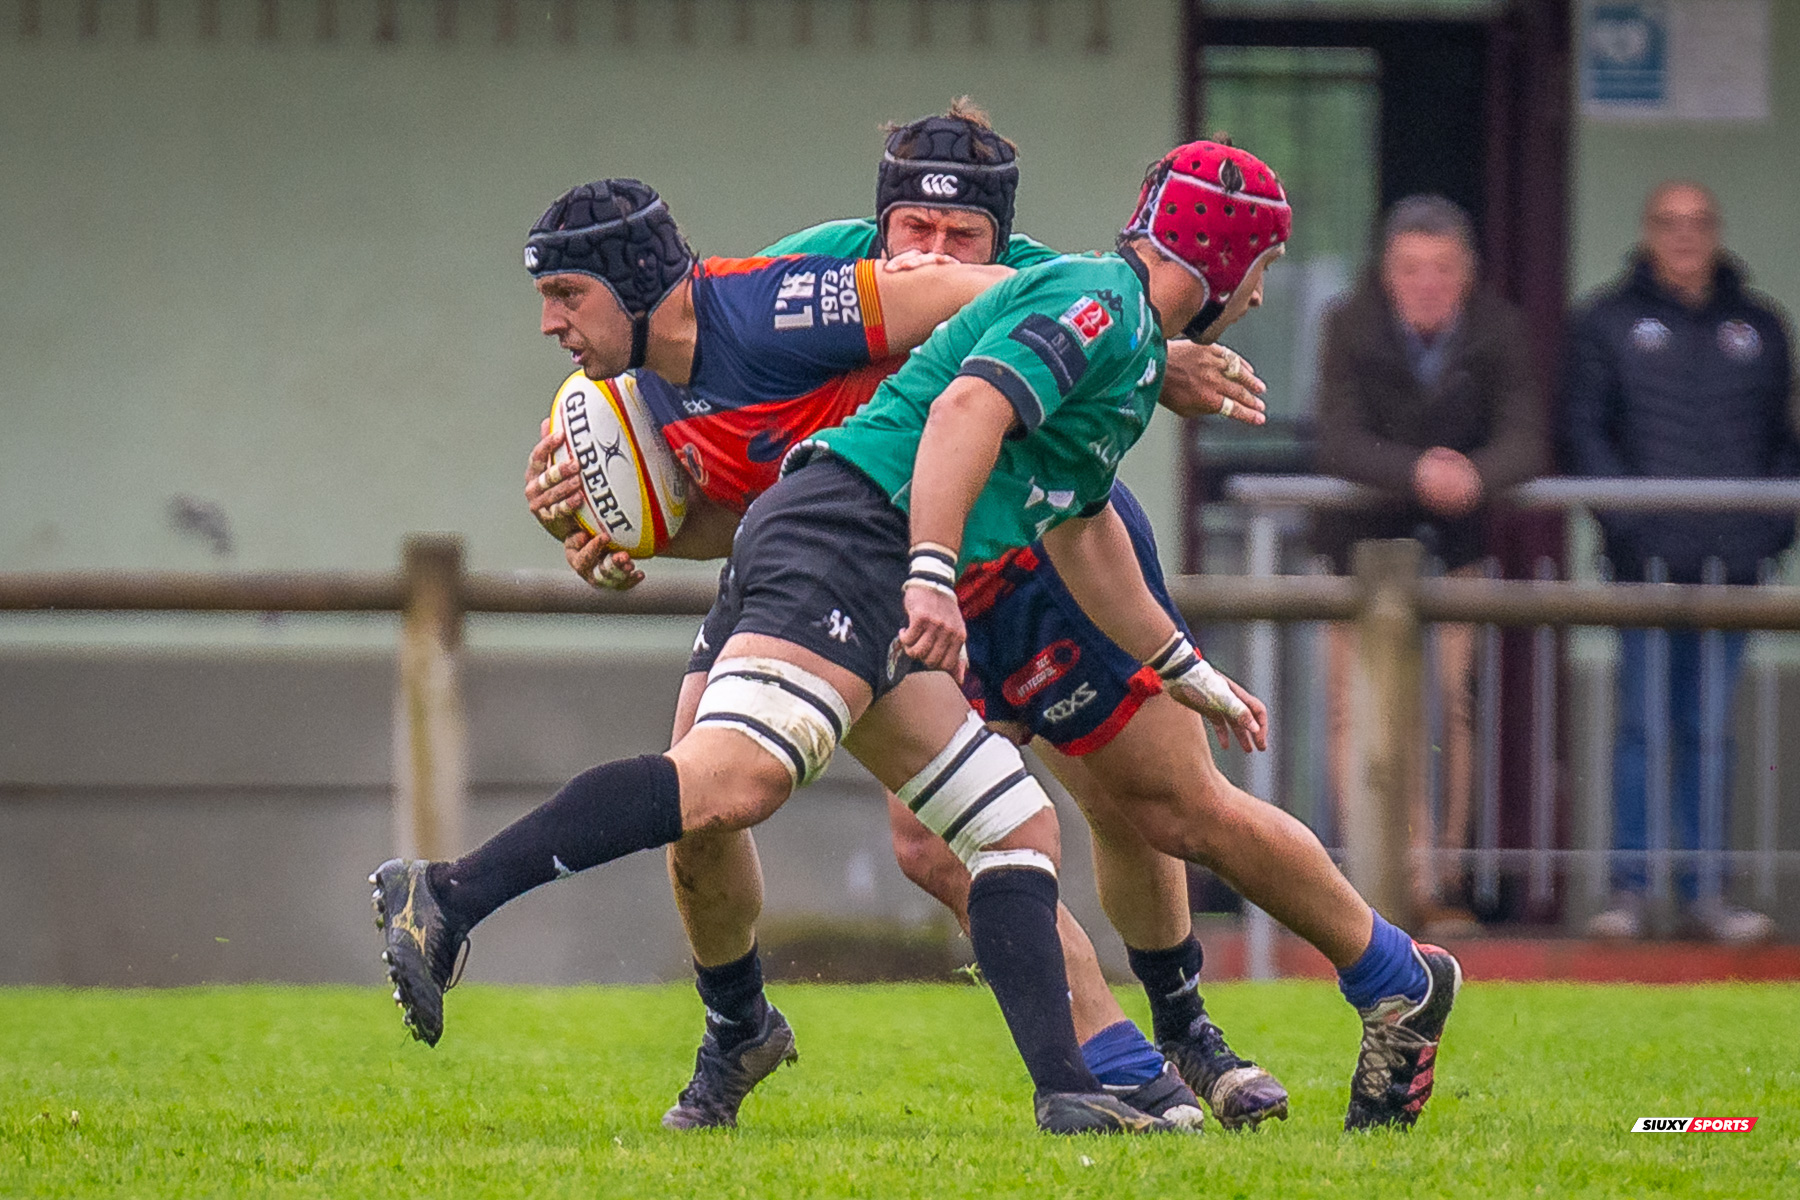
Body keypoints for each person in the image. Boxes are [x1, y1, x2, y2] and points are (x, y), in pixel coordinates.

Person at [503, 145, 1460, 1135]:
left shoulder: (1059, 289)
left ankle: (1229, 1015)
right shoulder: (810, 286)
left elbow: (1071, 337)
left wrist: (1159, 351)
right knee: (932, 833)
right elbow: (750, 475)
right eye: (914, 232)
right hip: (903, 578)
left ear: (1000, 240)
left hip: (1035, 563)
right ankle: (1106, 1061)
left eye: (964, 237)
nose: (934, 254)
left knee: (1165, 805)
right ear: (874, 233)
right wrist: (620, 520)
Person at [1562, 180, 1796, 943]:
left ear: (1716, 233)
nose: (1685, 237)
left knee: (1711, 729)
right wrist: (1633, 528)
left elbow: (1784, 445)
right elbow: (1587, 434)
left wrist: (1765, 537)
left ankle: (1707, 891)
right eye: (1670, 223)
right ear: (1648, 231)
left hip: (1733, 572)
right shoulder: (1606, 322)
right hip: (1644, 568)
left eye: (1699, 223)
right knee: (1643, 727)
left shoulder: (1760, 327)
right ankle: (1631, 890)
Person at [1313, 194, 1547, 934]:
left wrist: (1473, 475)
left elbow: (1528, 438)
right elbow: (1335, 438)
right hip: (1354, 552)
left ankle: (1437, 882)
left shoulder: (1500, 331)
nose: (1427, 285)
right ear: (1387, 272)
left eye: (1443, 270)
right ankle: (1371, 884)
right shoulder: (1347, 325)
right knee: (1357, 711)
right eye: (1412, 269)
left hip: (1455, 552)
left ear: (1467, 273)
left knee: (1450, 710)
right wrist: (1418, 471)